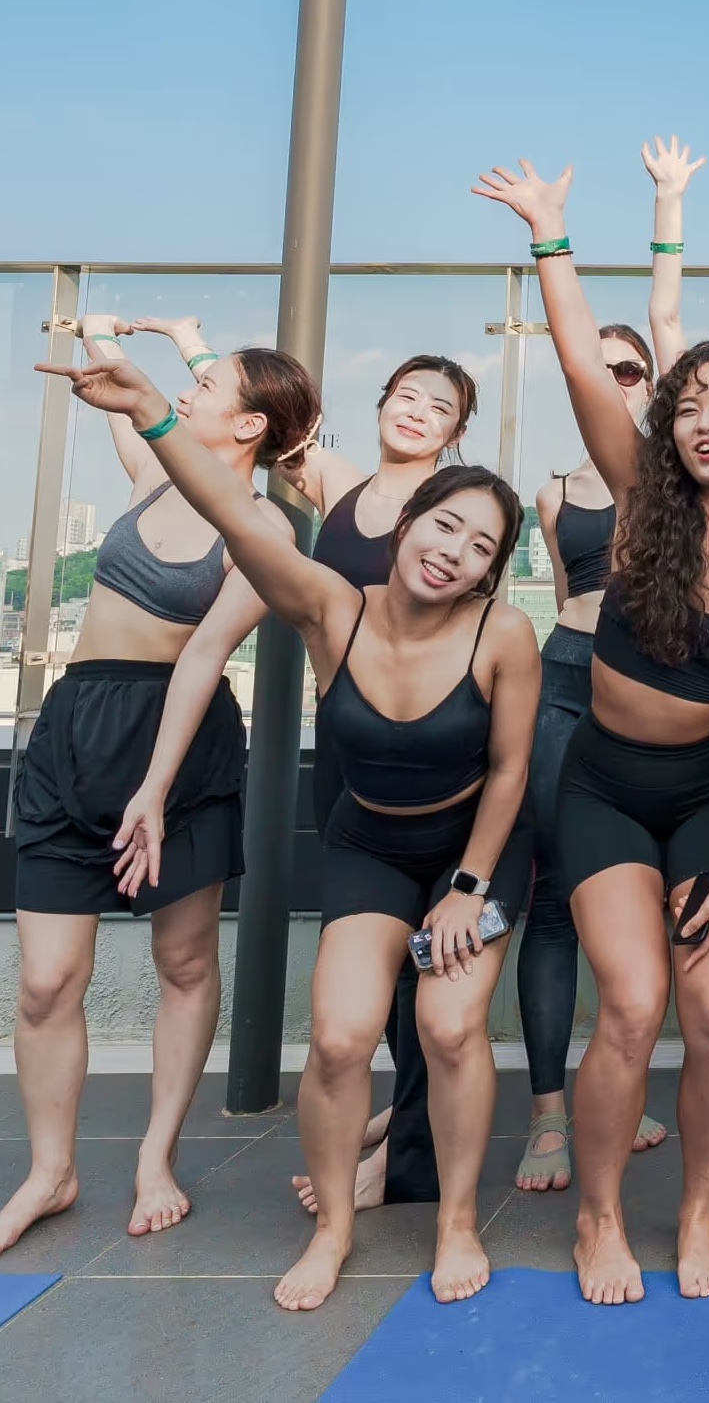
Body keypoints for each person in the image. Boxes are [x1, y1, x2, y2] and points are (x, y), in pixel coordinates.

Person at [37, 334, 540, 1312]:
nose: (456, 552)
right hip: (370, 843)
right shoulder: (330, 605)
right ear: (407, 526)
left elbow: (514, 769)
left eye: (482, 548)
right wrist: (151, 407)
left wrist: (471, 891)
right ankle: (335, 1228)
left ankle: (457, 1221)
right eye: (446, 529)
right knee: (344, 1039)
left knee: (446, 1022)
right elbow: (233, 505)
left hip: (475, 853)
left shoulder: (504, 632)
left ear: (490, 574)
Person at [477, 157, 709, 1305]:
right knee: (630, 1003)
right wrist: (552, 234)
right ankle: (597, 1215)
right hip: (607, 786)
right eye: (691, 402)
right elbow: (584, 359)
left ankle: (704, 1212)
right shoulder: (639, 497)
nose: (707, 418)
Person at [0, 315, 309, 1267]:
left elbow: (204, 653)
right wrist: (103, 337)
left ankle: (157, 1158)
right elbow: (130, 402)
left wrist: (153, 788)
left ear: (249, 428)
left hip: (177, 748)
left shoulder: (264, 527)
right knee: (43, 980)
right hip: (76, 728)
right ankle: (49, 1173)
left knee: (185, 964)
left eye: (211, 385)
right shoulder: (158, 475)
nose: (189, 389)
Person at [509, 139, 706, 1195]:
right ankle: (550, 1112)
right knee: (551, 898)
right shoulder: (552, 487)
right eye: (607, 366)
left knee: (653, 903)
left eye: (635, 371)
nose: (622, 380)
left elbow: (665, 322)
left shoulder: (673, 470)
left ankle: (623, 1081)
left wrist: (669, 202)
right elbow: (560, 590)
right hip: (566, 674)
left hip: (655, 694)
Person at [263, 344, 479, 1218]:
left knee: (434, 963)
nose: (417, 411)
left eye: (439, 407)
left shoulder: (446, 519)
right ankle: (400, 1115)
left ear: (455, 435)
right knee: (374, 963)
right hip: (348, 751)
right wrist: (183, 343)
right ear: (382, 401)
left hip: (430, 754)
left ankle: (409, 1158)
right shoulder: (343, 485)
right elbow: (260, 424)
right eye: (406, 395)